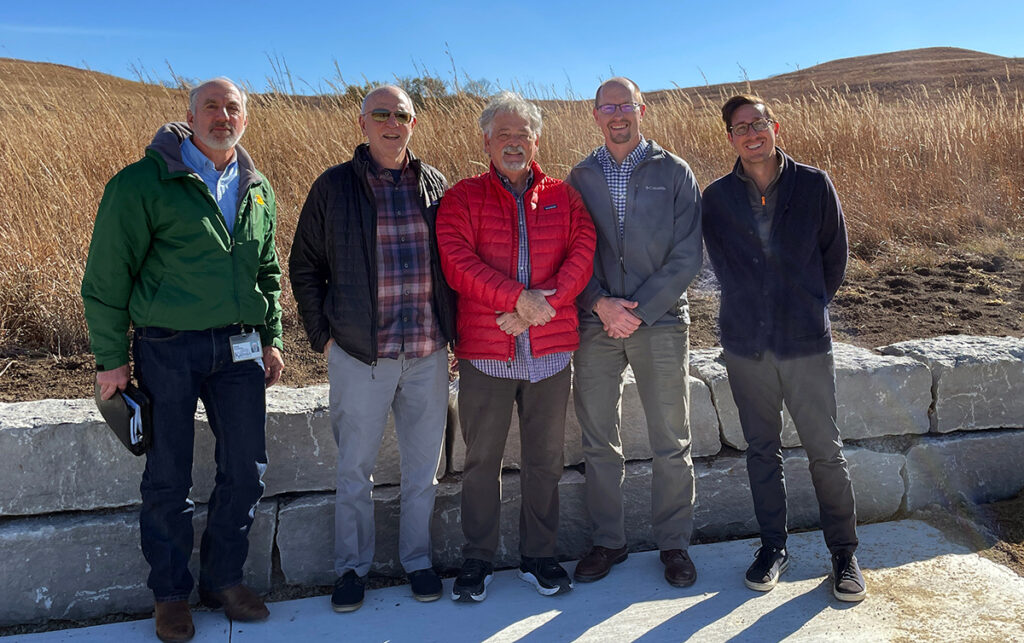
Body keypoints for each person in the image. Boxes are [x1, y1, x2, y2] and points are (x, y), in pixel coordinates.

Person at [81, 77, 284, 642]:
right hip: (167, 346)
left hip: (240, 349)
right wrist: (110, 359)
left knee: (246, 469)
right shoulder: (143, 183)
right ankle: (170, 595)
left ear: (245, 118)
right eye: (211, 107)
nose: (224, 116)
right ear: (190, 116)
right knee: (168, 474)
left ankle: (224, 579)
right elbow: (104, 279)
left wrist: (272, 337)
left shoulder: (256, 185)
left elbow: (267, 270)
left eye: (233, 108)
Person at [289, 85, 456, 613]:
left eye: (401, 114)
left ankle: (418, 561)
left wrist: (454, 334)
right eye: (380, 114)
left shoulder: (434, 185)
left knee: (422, 468)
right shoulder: (334, 186)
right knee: (354, 469)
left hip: (427, 353)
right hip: (362, 355)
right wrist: (326, 335)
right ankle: (351, 570)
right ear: (361, 123)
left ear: (414, 122)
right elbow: (304, 266)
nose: (391, 123)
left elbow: (454, 265)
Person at [701, 94, 866, 602]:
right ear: (730, 138)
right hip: (746, 346)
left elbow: (833, 259)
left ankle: (843, 553)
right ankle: (773, 547)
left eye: (758, 123)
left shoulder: (814, 185)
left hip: (805, 344)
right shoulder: (717, 197)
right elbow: (716, 265)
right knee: (761, 451)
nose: (751, 133)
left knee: (825, 451)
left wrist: (804, 308)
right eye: (740, 127)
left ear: (776, 126)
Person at [436, 91, 596, 602]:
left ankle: (539, 556)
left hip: (550, 352)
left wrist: (541, 306)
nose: (513, 142)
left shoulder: (564, 196)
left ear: (536, 139)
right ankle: (478, 559)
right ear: (486, 140)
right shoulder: (463, 197)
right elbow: (457, 262)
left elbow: (583, 251)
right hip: (488, 352)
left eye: (521, 134)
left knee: (545, 459)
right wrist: (517, 299)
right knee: (481, 460)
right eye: (502, 134)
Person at [565, 77, 703, 588]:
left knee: (672, 440)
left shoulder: (674, 171)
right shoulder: (579, 176)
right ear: (595, 113)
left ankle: (675, 546)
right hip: (595, 322)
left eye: (626, 105)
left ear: (641, 110)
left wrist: (638, 311)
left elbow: (688, 254)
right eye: (608, 106)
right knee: (599, 440)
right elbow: (569, 250)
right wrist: (600, 303)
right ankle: (609, 543)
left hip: (662, 322)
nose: (617, 114)